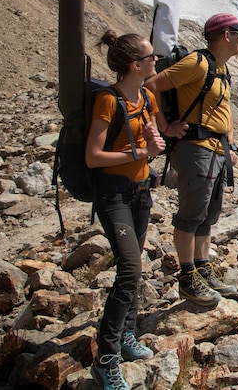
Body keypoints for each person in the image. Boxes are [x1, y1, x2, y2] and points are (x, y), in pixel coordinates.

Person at [145, 13, 238, 306]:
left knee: (207, 214)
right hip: (195, 148)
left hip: (215, 149)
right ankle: (187, 279)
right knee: (190, 215)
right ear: (225, 35)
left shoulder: (222, 70)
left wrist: (231, 145)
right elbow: (151, 86)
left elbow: (225, 110)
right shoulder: (198, 63)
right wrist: (164, 127)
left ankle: (202, 269)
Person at [87, 31, 166, 390]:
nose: (156, 61)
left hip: (140, 192)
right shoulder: (108, 99)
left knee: (134, 269)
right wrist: (139, 153)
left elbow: (152, 143)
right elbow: (94, 156)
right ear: (136, 65)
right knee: (130, 269)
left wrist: (153, 143)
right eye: (151, 58)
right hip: (114, 194)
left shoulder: (146, 98)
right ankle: (106, 360)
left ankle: (128, 335)